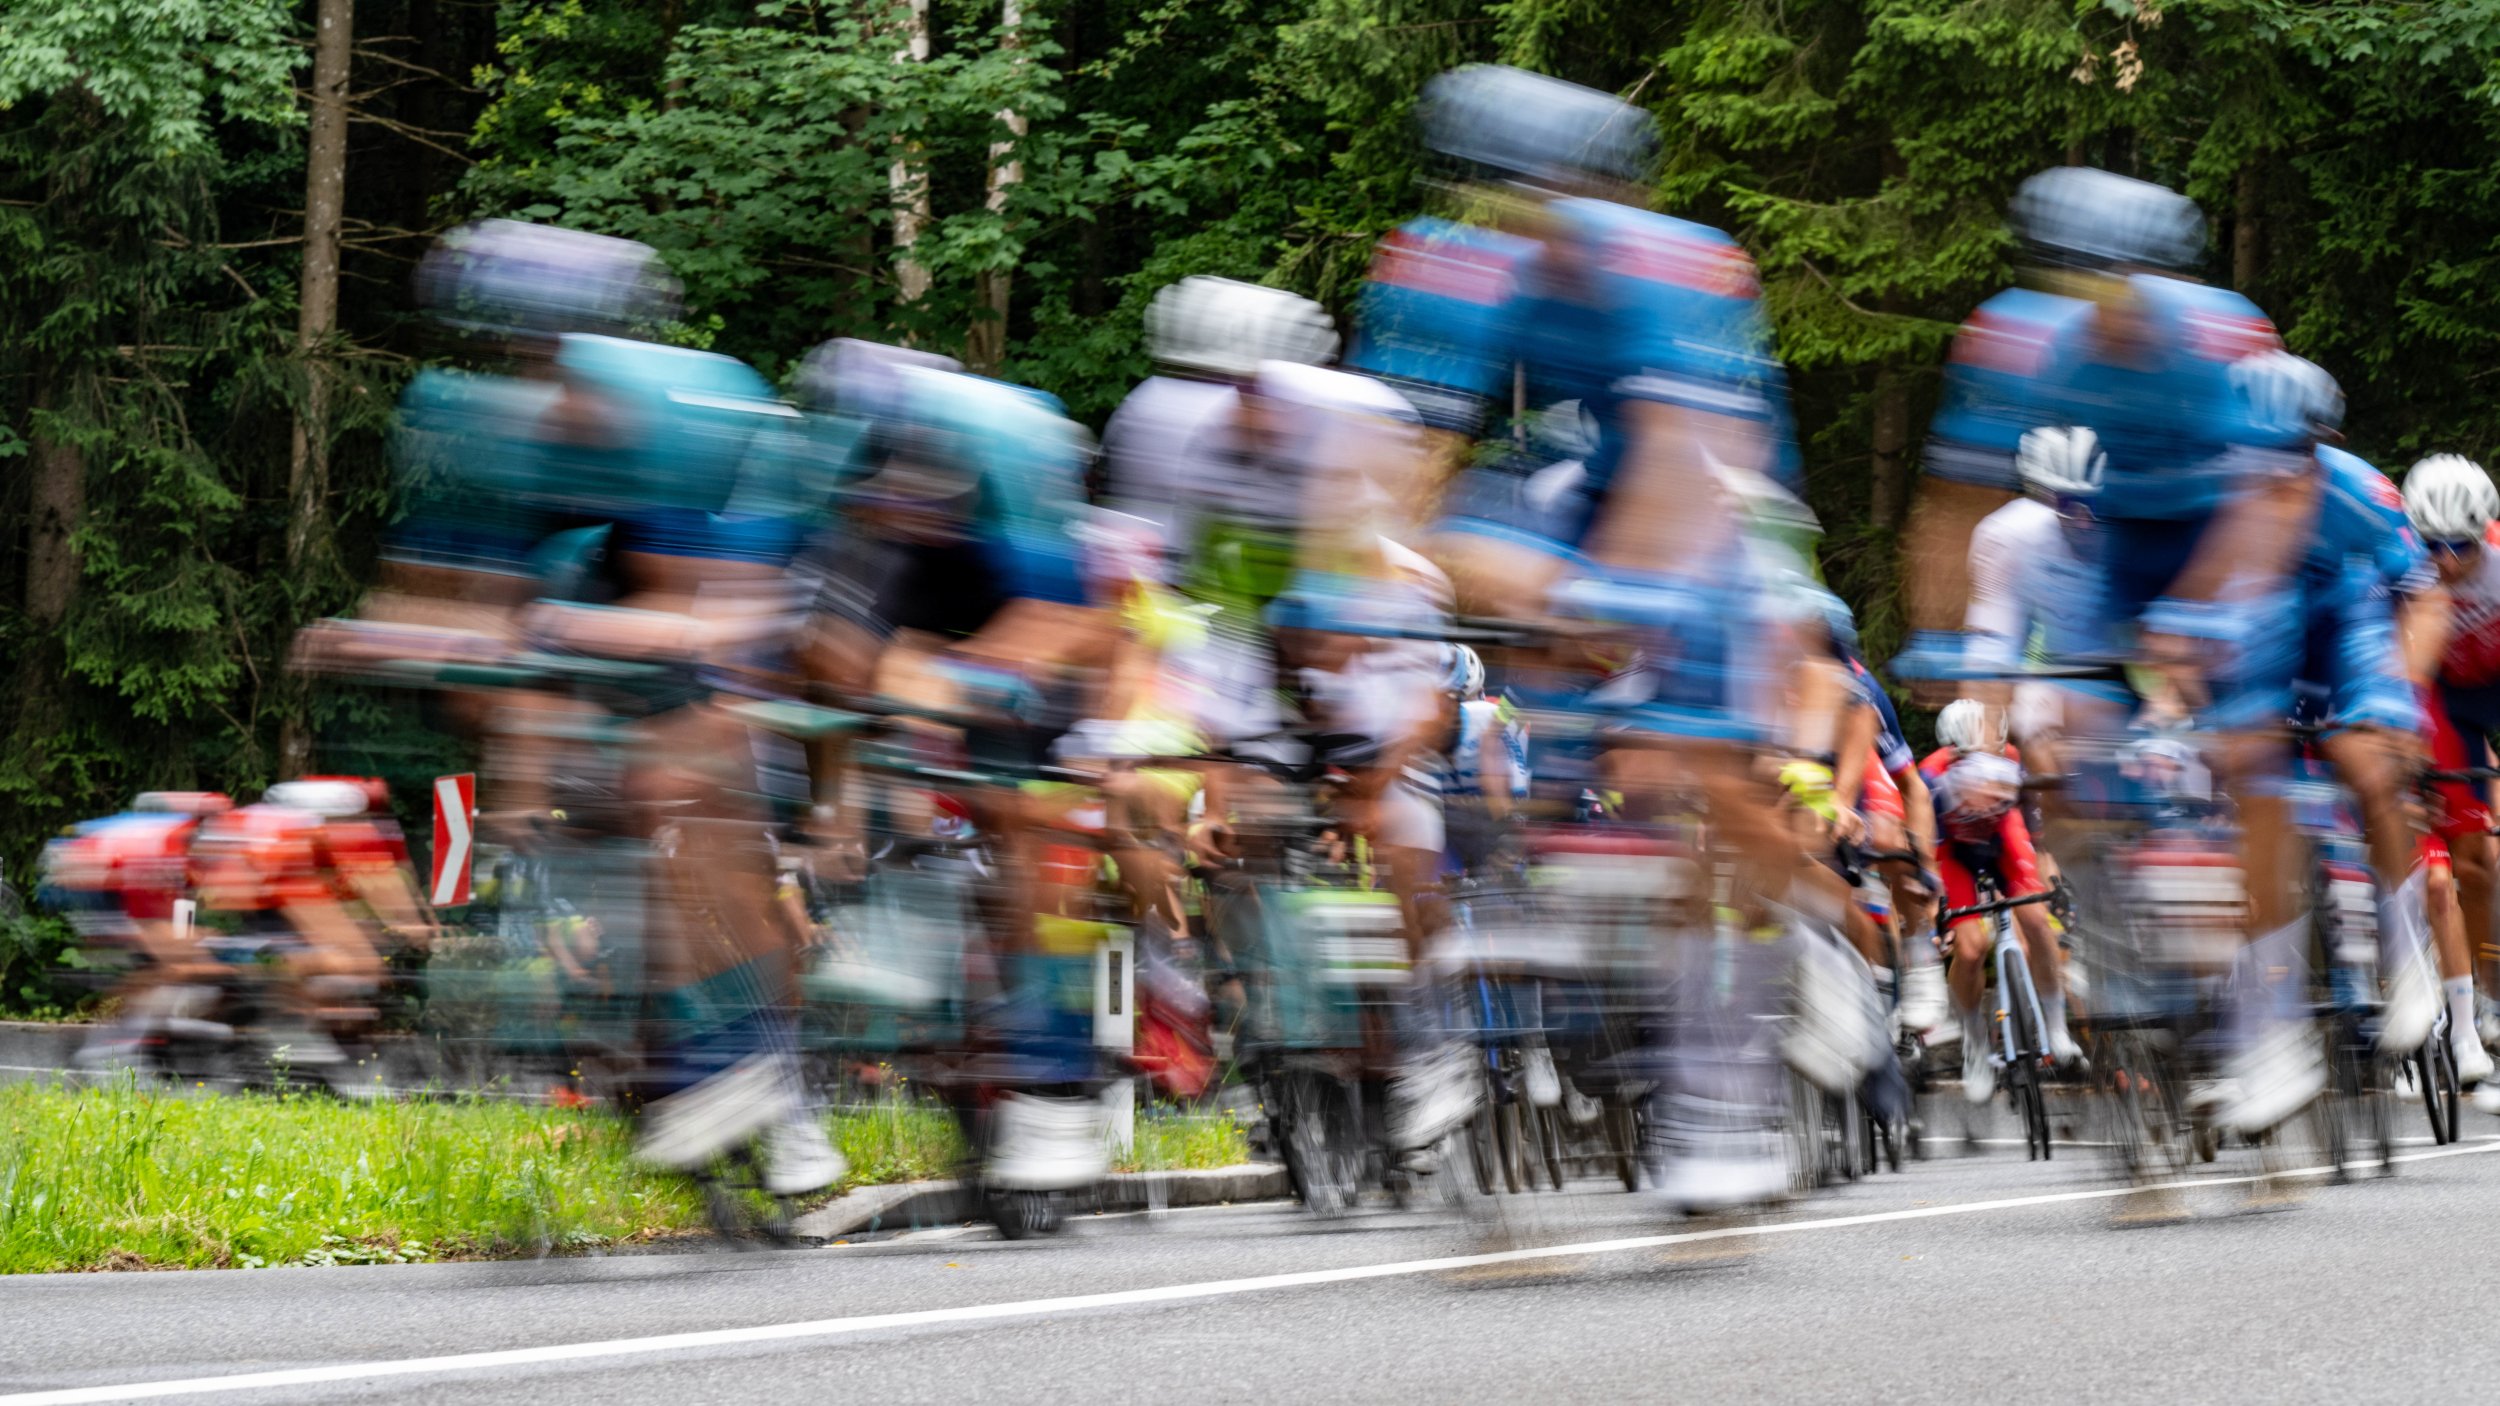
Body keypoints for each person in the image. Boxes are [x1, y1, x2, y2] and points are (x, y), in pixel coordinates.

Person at [1348, 64, 1848, 1212]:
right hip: (1574, 491)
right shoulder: (1450, 264)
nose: (1530, 223)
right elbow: (1410, 455)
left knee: (1687, 766)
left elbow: (1689, 458)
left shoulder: (1676, 265)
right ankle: (1555, 909)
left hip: (1714, 498)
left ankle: (1764, 1011)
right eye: (1504, 198)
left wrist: (1616, 607)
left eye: (1554, 197)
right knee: (1506, 560)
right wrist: (1391, 576)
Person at [2400, 453, 2500, 1089]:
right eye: (2431, 545)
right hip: (2444, 696)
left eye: (2459, 546)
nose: (2445, 559)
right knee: (2469, 862)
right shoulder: (2405, 568)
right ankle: (2482, 1002)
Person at [1922, 700, 2075, 1100]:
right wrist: (1934, 916)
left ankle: (2057, 1029)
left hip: (2001, 839)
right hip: (1954, 852)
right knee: (1970, 949)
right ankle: (1974, 1042)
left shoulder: (2016, 763)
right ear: (1952, 752)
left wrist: (2053, 890)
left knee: (2038, 923)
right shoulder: (1931, 776)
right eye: (1968, 759)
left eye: (1991, 750)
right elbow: (1928, 856)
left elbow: (2036, 843)